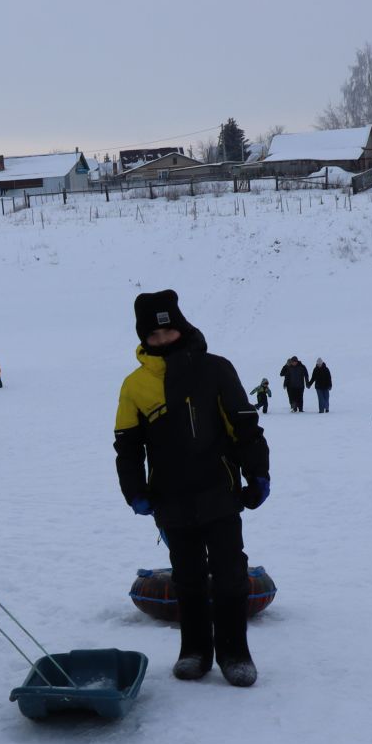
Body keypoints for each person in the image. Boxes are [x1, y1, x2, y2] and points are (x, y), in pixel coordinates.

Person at [115, 289, 270, 687]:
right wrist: (134, 490)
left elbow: (245, 427)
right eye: (154, 335)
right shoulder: (135, 386)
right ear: (143, 337)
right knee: (187, 577)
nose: (163, 340)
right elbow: (127, 446)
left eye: (168, 331)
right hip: (171, 497)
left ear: (180, 327)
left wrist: (258, 473)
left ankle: (235, 652)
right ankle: (194, 651)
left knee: (231, 573)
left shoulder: (216, 369)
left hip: (219, 491)